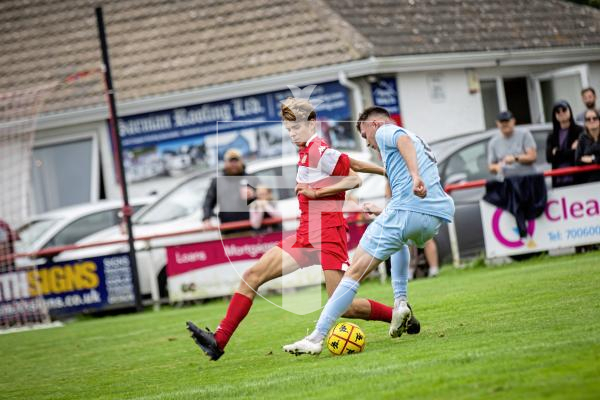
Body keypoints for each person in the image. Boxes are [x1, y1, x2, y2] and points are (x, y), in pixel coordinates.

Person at [186, 98, 419, 361]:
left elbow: (354, 178)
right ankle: (219, 340)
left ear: (312, 124)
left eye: (296, 128)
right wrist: (384, 170)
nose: (292, 134)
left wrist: (317, 191)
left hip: (329, 233)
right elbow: (348, 161)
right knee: (252, 275)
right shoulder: (310, 150)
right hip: (306, 234)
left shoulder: (317, 148)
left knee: (344, 307)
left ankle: (398, 314)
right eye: (288, 130)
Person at [283, 106, 454, 355]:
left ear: (373, 124)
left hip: (408, 210)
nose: (369, 144)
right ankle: (400, 302)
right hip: (434, 216)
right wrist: (386, 209)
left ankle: (316, 338)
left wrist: (415, 176)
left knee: (353, 273)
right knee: (399, 239)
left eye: (365, 136)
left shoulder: (385, 131)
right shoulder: (419, 139)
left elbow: (400, 140)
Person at [202, 148, 257, 235]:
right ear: (225, 163)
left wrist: (253, 196)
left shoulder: (251, 179)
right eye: (231, 161)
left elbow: (264, 198)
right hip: (228, 228)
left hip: (250, 227)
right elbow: (208, 202)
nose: (233, 164)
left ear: (241, 161)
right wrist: (206, 217)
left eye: (236, 161)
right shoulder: (217, 181)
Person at [488, 110, 537, 177]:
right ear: (497, 123)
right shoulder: (493, 142)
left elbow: (532, 157)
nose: (504, 124)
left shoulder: (524, 134)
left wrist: (515, 158)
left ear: (513, 121)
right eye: (502, 122)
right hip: (507, 180)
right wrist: (496, 168)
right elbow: (491, 166)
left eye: (507, 121)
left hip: (527, 178)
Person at [546, 100, 582, 187]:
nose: (561, 113)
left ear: (570, 111)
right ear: (555, 115)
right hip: (559, 179)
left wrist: (557, 152)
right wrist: (570, 150)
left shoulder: (579, 131)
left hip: (577, 177)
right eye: (557, 111)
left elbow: (578, 154)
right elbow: (549, 158)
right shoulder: (552, 135)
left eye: (564, 110)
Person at [575, 109, 600, 183]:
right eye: (588, 119)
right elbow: (577, 160)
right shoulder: (582, 137)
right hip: (589, 182)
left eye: (594, 118)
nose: (591, 121)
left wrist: (592, 158)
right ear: (585, 123)